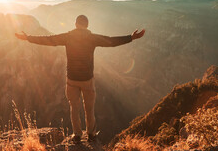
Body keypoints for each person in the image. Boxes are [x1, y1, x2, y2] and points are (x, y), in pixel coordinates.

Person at [15, 15, 145, 143]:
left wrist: (27, 38)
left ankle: (77, 135)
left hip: (71, 79)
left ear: (76, 24)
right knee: (89, 109)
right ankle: (91, 134)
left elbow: (48, 40)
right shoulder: (92, 38)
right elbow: (111, 41)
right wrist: (131, 37)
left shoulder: (67, 37)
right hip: (87, 80)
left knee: (74, 108)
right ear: (87, 25)